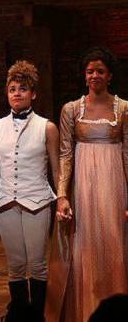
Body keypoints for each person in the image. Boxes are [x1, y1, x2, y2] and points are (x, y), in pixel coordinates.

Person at [46, 47, 128, 322]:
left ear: (110, 76)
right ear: (84, 76)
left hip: (113, 181)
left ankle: (115, 309)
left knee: (113, 240)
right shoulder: (71, 109)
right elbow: (65, 154)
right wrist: (62, 195)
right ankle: (86, 310)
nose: (94, 75)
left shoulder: (124, 108)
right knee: (83, 244)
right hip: (82, 183)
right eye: (90, 71)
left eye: (100, 71)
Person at [0, 61, 57, 316]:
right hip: (5, 202)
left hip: (37, 200)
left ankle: (37, 316)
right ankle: (19, 315)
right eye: (12, 89)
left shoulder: (47, 127)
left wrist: (64, 197)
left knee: (37, 265)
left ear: (33, 93)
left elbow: (57, 170)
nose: (16, 93)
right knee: (15, 265)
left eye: (22, 89)